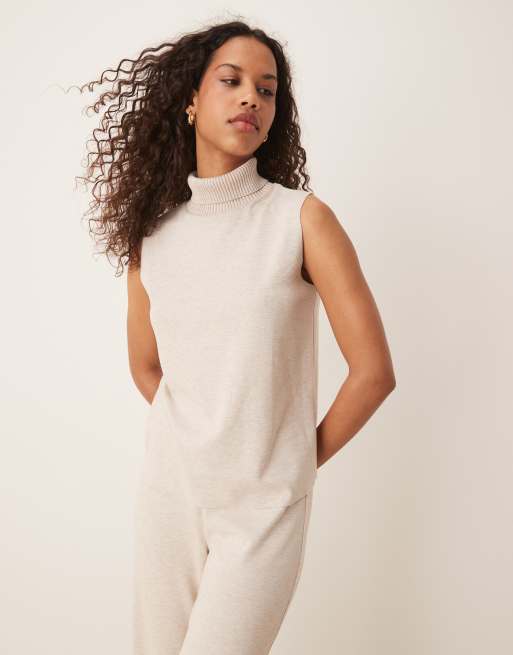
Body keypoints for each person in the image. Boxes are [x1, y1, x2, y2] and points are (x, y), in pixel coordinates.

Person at [78, 19, 396, 655]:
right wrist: (199, 437)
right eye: (231, 81)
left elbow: (373, 373)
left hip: (262, 506)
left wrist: (286, 464)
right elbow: (146, 366)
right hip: (170, 495)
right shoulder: (153, 235)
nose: (251, 96)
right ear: (191, 101)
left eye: (267, 89)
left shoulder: (301, 220)